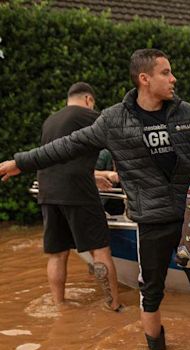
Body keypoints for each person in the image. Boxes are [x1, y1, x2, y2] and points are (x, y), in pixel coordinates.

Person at [0, 49, 190, 350]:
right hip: (150, 222)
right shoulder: (113, 120)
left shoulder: (187, 113)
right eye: (165, 72)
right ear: (145, 79)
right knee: (152, 290)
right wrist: (20, 163)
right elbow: (66, 146)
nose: (173, 79)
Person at [28, 82, 122, 312]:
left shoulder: (50, 120)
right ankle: (114, 306)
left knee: (57, 253)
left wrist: (91, 174)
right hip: (77, 192)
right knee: (99, 250)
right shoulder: (89, 116)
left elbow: (59, 159)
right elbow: (120, 140)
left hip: (47, 191)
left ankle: (59, 305)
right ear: (89, 99)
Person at [95, 149, 125, 215]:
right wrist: (108, 174)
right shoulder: (104, 154)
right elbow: (87, 173)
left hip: (119, 194)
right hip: (104, 197)